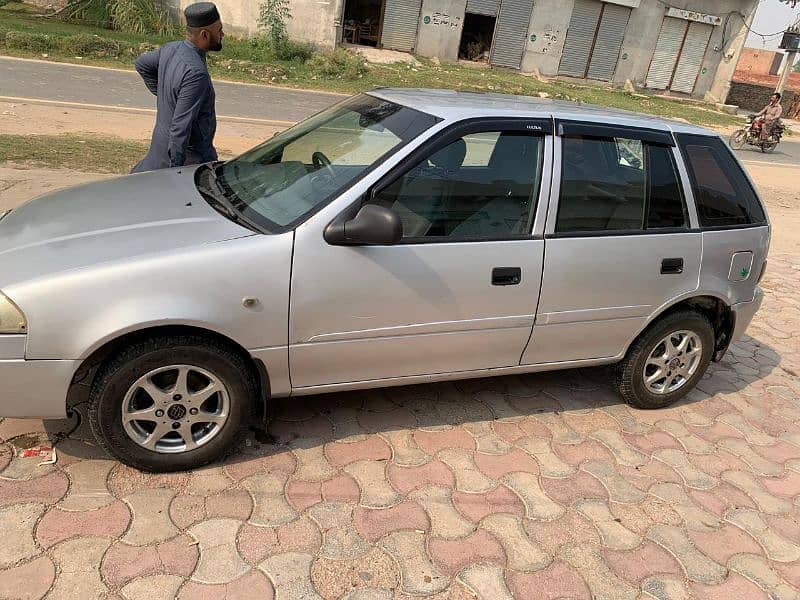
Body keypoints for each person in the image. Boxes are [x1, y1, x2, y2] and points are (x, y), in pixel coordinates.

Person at [131, 2, 224, 173]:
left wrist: (167, 96)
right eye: (218, 30)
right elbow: (180, 129)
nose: (222, 34)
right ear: (204, 34)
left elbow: (142, 63)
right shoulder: (196, 74)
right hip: (189, 162)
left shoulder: (171, 49)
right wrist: (175, 173)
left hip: (159, 152)